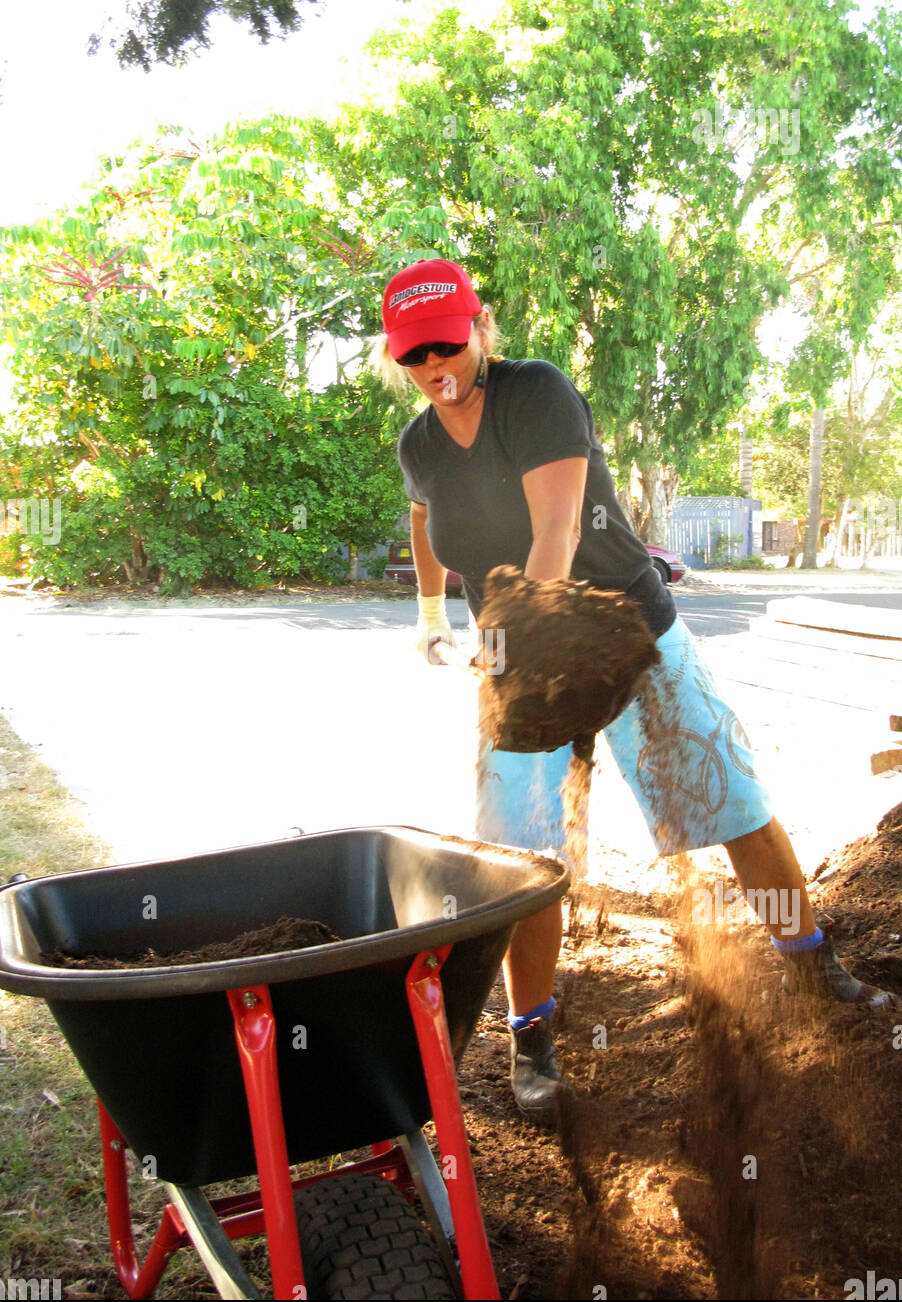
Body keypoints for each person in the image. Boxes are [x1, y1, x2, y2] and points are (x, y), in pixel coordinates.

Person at [370, 257, 899, 1125]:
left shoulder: (535, 393)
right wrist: (432, 612)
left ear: (480, 329)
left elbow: (559, 526)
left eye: (448, 343)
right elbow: (427, 518)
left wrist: (534, 640)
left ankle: (812, 964)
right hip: (519, 647)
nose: (435, 366)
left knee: (727, 801)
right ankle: (531, 1040)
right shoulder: (419, 444)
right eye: (414, 354)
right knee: (523, 856)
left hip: (625, 630)